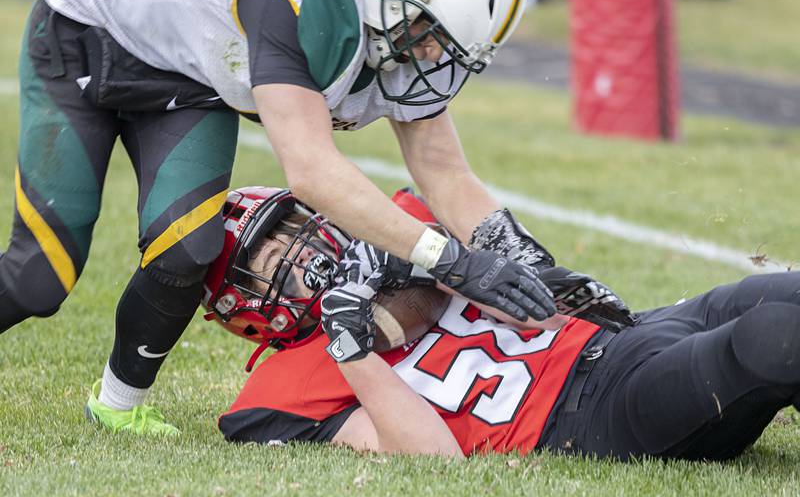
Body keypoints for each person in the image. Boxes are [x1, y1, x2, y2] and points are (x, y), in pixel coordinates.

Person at [0, 0, 588, 435]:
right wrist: (450, 259)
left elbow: (445, 172)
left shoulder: (397, 29)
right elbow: (311, 170)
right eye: (426, 33)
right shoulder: (304, 5)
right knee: (39, 278)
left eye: (444, 46)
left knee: (188, 249)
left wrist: (526, 263)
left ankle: (116, 408)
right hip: (85, 41)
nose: (431, 55)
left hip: (187, 79)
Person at [209, 186, 800, 460]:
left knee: (779, 292)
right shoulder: (280, 395)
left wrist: (415, 261)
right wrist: (352, 348)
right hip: (589, 414)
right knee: (773, 338)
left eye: (293, 231)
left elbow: (516, 295)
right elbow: (433, 458)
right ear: (248, 312)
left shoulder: (394, 234)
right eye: (272, 265)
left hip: (624, 334)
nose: (303, 256)